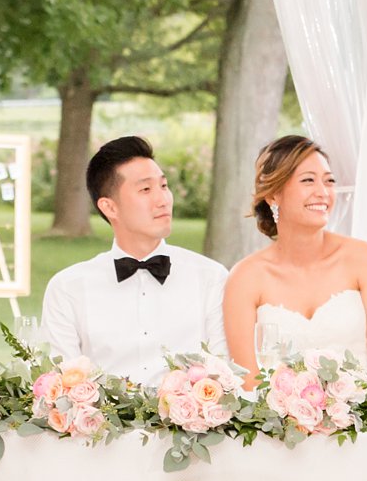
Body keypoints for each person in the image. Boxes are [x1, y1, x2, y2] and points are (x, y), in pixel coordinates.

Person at [41, 136, 228, 385]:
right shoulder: (67, 288)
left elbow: (225, 372)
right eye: (146, 190)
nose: (163, 200)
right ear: (110, 208)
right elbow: (61, 382)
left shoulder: (211, 278)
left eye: (164, 186)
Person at [222, 135, 367, 385]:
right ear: (273, 195)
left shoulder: (363, 260)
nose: (323, 193)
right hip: (275, 421)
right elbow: (248, 381)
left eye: (329, 181)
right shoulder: (246, 277)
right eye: (308, 181)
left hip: (364, 418)